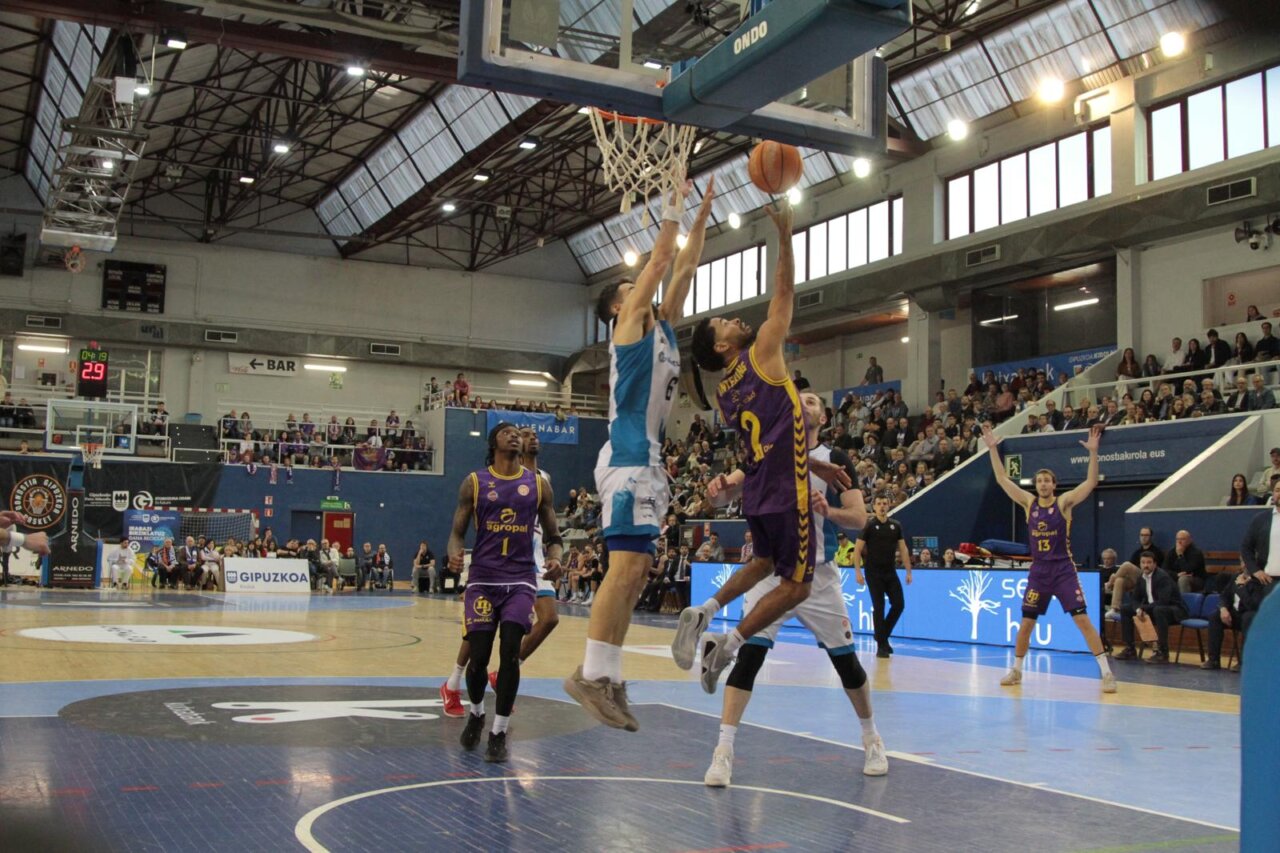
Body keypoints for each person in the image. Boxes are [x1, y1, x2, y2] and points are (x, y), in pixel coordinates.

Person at [563, 174, 713, 732]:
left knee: (640, 570)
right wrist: (673, 201)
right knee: (624, 568)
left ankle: (610, 675)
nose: (643, 288)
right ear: (617, 307)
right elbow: (661, 261)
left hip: (647, 459)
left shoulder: (665, 330)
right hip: (627, 457)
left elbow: (684, 266)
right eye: (631, 286)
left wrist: (701, 217)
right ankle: (590, 674)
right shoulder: (628, 324)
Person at [681, 201, 852, 692]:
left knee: (761, 563)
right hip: (785, 492)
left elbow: (776, 436)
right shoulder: (762, 354)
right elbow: (785, 293)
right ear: (722, 347)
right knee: (795, 585)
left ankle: (704, 610)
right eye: (726, 323)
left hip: (758, 490)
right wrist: (785, 236)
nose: (736, 319)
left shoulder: (721, 392)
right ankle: (727, 643)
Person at [703, 391, 887, 786]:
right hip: (773, 572)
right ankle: (723, 751)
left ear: (825, 415)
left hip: (817, 577)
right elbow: (728, 491)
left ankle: (872, 737)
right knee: (749, 658)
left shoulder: (835, 459)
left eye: (814, 400)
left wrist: (829, 511)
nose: (806, 402)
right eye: (800, 397)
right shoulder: (768, 448)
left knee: (847, 664)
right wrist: (718, 491)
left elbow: (858, 518)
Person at [444, 422, 563, 762]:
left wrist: (555, 559)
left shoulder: (539, 485)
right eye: (506, 431)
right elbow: (456, 531)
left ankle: (498, 731)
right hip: (482, 577)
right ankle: (478, 711)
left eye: (517, 432)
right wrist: (454, 552)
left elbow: (554, 537)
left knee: (511, 651)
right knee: (478, 656)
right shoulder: (475, 482)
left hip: (521, 578)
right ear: (493, 441)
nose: (514, 435)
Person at [981, 423, 1117, 693]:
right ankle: (1017, 670)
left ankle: (1106, 673)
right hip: (1039, 572)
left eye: (1047, 481)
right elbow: (1002, 479)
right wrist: (993, 449)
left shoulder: (1063, 503)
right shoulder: (1028, 503)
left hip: (1063, 570)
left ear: (1054, 485)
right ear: (1036, 485)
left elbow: (1090, 483)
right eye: (1039, 480)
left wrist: (1093, 452)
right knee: (1026, 623)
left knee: (1082, 620)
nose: (1043, 484)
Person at [854, 494, 912, 658]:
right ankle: (882, 645)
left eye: (885, 504)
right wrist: (858, 572)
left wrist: (908, 571)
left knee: (899, 604)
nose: (882, 506)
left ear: (889, 506)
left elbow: (903, 548)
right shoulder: (869, 526)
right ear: (874, 507)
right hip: (873, 573)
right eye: (879, 504)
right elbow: (857, 550)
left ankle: (882, 635)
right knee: (879, 607)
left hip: (890, 571)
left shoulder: (896, 525)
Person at [1113, 551, 1186, 664]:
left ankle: (1162, 652)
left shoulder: (1162, 577)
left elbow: (1163, 601)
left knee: (1159, 610)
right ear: (1140, 564)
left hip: (1174, 610)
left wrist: (1144, 608)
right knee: (1126, 609)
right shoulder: (1141, 577)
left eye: (1149, 562)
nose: (1146, 565)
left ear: (1155, 564)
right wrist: (1138, 609)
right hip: (1153, 609)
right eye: (1143, 562)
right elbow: (1135, 599)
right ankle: (1130, 649)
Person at [1202, 569, 1266, 671]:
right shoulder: (1236, 576)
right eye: (1242, 561)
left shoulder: (1259, 581)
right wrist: (1223, 609)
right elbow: (1224, 596)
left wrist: (1241, 587)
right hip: (1235, 614)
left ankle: (1243, 662)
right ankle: (1213, 660)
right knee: (1215, 616)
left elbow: (1252, 605)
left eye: (1247, 562)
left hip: (1251, 615)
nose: (1244, 565)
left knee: (1248, 618)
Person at [1163, 529, 1207, 593]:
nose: (1179, 542)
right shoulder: (1172, 552)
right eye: (1177, 539)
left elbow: (1188, 570)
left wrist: (1180, 555)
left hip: (1196, 579)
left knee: (1183, 579)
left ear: (1189, 540)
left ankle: (1184, 602)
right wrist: (1176, 575)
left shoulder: (1196, 553)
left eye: (1182, 539)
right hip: (1177, 577)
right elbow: (1164, 569)